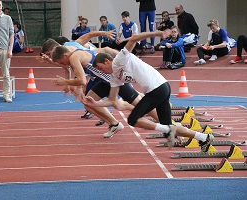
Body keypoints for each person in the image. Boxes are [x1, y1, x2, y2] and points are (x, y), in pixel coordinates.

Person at [84, 30, 214, 152]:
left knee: (132, 120)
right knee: (168, 129)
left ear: (107, 61)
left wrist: (158, 33)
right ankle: (203, 138)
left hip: (157, 88)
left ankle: (168, 128)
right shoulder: (114, 77)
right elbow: (112, 100)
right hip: (160, 89)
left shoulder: (119, 60)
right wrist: (94, 104)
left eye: (101, 68)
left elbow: (134, 38)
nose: (102, 72)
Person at [50, 34, 159, 138]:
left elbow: (82, 81)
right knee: (89, 102)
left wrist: (65, 82)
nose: (63, 65)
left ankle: (165, 121)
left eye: (61, 62)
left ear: (65, 55)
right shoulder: (73, 49)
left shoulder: (74, 57)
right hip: (104, 80)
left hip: (114, 79)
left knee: (135, 104)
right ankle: (115, 124)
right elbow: (95, 45)